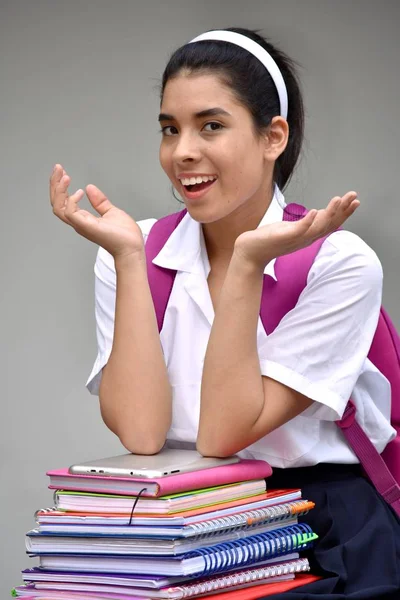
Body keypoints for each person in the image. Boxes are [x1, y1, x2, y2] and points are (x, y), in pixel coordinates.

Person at [50, 27, 400, 599]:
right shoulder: (132, 251)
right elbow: (140, 433)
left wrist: (244, 268)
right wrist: (129, 260)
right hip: (181, 520)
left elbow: (224, 430)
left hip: (317, 525)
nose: (182, 151)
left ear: (273, 137)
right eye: (170, 129)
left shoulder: (338, 263)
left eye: (210, 125)